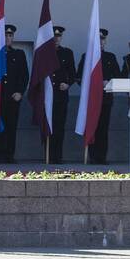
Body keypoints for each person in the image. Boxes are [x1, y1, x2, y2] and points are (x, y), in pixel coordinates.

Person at [77, 28, 121, 164]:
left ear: (105, 41)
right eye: (98, 39)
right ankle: (92, 156)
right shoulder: (87, 57)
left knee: (103, 129)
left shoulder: (110, 57)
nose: (100, 42)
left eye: (102, 39)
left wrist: (108, 82)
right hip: (91, 100)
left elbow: (118, 77)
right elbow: (79, 78)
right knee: (91, 127)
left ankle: (101, 157)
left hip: (105, 99)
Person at [0, 23, 28, 164]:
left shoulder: (19, 54)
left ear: (13, 38)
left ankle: (10, 155)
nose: (7, 38)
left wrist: (20, 92)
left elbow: (24, 76)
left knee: (11, 127)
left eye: (10, 35)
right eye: (5, 35)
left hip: (13, 98)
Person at [48, 25, 77, 164]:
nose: (56, 38)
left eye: (58, 36)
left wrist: (67, 84)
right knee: (48, 125)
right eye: (54, 36)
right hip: (48, 96)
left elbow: (73, 74)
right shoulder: (44, 53)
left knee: (59, 126)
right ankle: (47, 155)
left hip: (61, 96)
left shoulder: (67, 53)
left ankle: (57, 156)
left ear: (61, 38)